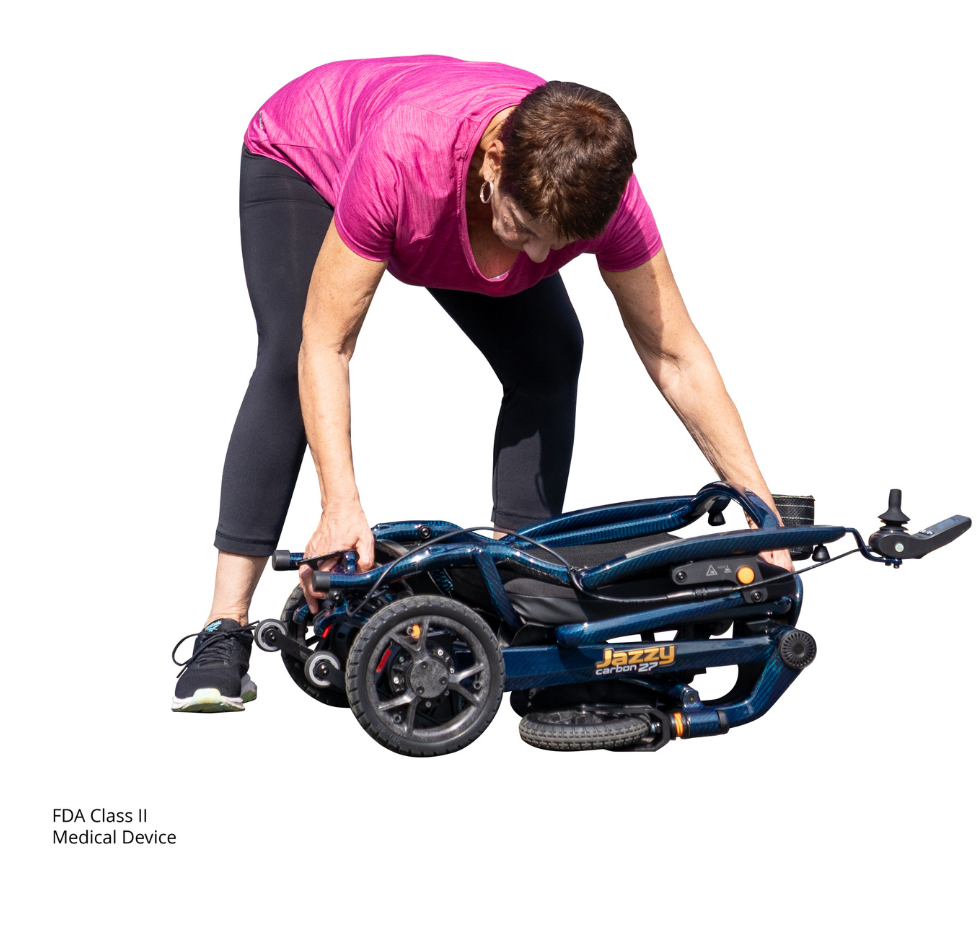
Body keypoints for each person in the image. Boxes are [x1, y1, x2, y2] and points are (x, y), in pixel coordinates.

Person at [171, 55, 791, 712]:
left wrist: (763, 511)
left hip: (444, 196)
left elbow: (675, 354)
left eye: (555, 248)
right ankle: (223, 630)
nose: (529, 259)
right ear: (496, 158)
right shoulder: (403, 157)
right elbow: (328, 345)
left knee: (550, 357)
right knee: (289, 353)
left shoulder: (606, 193)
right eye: (524, 229)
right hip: (311, 153)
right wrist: (340, 509)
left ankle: (526, 607)